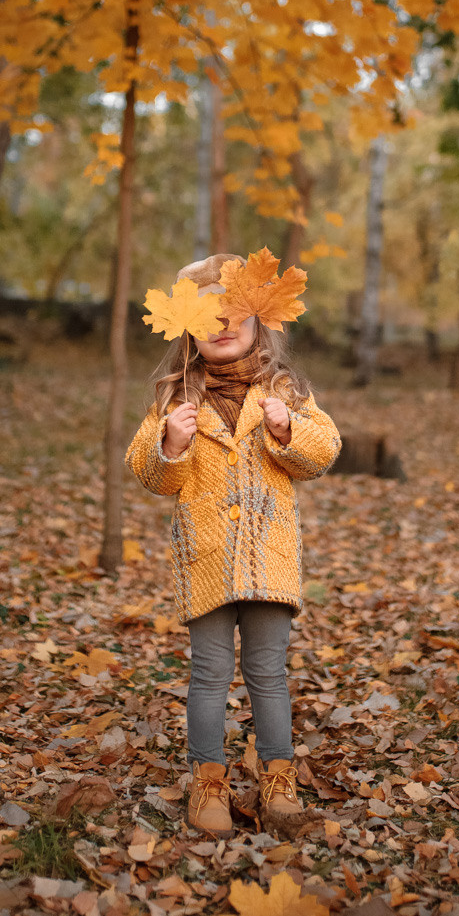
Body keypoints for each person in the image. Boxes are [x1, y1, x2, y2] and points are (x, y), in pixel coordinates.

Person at [125, 252, 341, 836]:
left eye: (235, 311)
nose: (223, 324)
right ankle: (208, 780)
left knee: (269, 673)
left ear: (258, 318)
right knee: (210, 674)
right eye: (209, 314)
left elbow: (324, 451)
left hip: (269, 557)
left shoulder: (284, 388)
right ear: (189, 326)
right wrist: (171, 443)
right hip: (209, 558)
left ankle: (277, 778)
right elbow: (149, 472)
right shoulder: (177, 397)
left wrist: (287, 429)